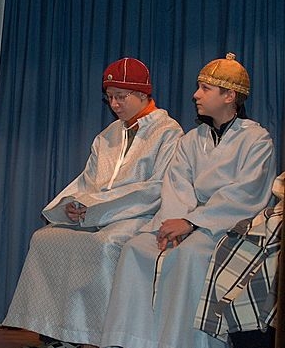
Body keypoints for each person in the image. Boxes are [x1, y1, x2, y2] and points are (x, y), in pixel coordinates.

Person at [3, 58, 184, 348]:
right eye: (109, 97)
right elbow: (87, 181)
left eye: (120, 96)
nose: (114, 104)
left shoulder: (168, 132)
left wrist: (98, 207)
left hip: (139, 216)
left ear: (142, 94)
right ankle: (58, 331)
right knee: (45, 238)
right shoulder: (108, 135)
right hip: (96, 214)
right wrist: (73, 205)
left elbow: (157, 188)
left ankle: (107, 335)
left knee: (106, 245)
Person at [100, 53, 277, 348]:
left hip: (230, 227)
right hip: (187, 220)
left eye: (205, 89)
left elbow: (246, 193)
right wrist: (176, 222)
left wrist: (192, 222)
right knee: (135, 249)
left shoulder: (256, 140)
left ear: (229, 96)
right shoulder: (193, 139)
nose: (196, 95)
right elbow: (177, 184)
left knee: (189, 255)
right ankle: (131, 340)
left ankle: (186, 342)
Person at [195, 170, 283, 348]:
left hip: (217, 212)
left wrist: (191, 221)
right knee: (231, 245)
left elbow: (250, 187)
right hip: (200, 213)